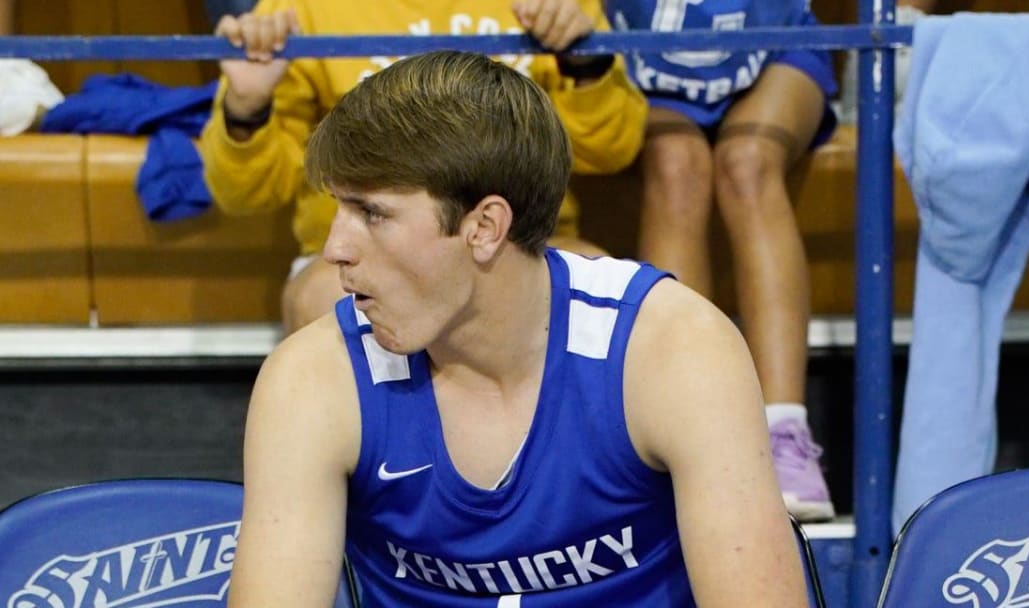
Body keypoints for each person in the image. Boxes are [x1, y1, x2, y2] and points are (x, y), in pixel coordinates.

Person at [227, 50, 808, 607]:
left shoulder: (673, 350)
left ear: (485, 226)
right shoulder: (311, 378)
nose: (334, 248)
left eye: (372, 213)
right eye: (337, 209)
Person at [201, 0, 646, 334]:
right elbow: (244, 193)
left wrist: (584, 63)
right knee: (321, 299)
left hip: (522, 243)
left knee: (598, 284)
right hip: (369, 251)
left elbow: (611, 149)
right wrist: (248, 106)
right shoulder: (300, 8)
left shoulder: (559, 5)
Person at [604, 0, 838, 521]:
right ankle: (685, 426)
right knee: (677, 162)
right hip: (637, 55)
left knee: (749, 162)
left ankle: (785, 433)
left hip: (770, 46)